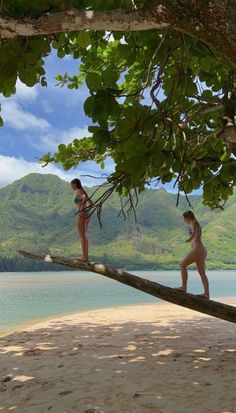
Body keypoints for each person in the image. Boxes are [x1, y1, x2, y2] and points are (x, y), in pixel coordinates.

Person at [176, 210, 210, 299]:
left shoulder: (194, 222)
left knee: (182, 265)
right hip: (201, 249)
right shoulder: (194, 223)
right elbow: (195, 233)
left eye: (184, 218)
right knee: (202, 273)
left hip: (198, 248)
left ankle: (184, 287)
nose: (184, 220)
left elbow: (194, 233)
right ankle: (206, 293)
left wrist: (189, 239)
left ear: (187, 217)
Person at [71, 178, 92, 262]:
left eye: (71, 184)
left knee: (82, 237)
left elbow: (84, 198)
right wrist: (85, 210)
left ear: (75, 184)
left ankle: (84, 257)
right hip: (86, 214)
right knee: (84, 236)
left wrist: (81, 209)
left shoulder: (78, 191)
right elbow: (91, 202)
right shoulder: (82, 191)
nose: (71, 186)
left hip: (81, 214)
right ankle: (85, 257)